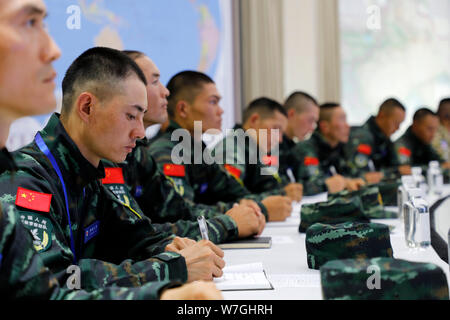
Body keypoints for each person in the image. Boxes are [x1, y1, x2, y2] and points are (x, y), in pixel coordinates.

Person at [0, 45, 224, 299]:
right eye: (131, 116)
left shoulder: (95, 168)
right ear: (87, 108)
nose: (140, 132)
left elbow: (136, 236)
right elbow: (56, 280)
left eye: (142, 118)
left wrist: (174, 248)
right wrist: (169, 270)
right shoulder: (26, 181)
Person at [101, 50, 264, 244]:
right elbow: (131, 237)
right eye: (154, 82)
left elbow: (178, 208)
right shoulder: (161, 150)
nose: (166, 92)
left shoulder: (142, 151)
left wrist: (240, 210)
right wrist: (228, 223)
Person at [149, 71, 292, 222]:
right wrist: (258, 209)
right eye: (213, 102)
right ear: (183, 109)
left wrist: (251, 205)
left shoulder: (197, 149)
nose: (221, 111)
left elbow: (235, 192)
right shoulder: (167, 151)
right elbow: (180, 214)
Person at [212, 97, 303, 201]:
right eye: (276, 129)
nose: (279, 139)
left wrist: (288, 190)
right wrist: (282, 193)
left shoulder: (258, 151)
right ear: (254, 120)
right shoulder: (231, 148)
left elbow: (274, 183)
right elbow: (229, 197)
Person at [291, 103, 366, 195]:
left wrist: (351, 181)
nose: (347, 126)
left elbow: (354, 173)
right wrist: (343, 182)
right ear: (325, 127)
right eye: (342, 120)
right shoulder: (307, 148)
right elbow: (312, 184)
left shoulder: (339, 146)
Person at [345, 98, 411, 182]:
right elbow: (362, 176)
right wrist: (395, 172)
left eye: (400, 124)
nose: (398, 128)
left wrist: (397, 170)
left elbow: (398, 166)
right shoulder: (363, 137)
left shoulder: (384, 139)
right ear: (381, 115)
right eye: (395, 123)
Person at [278, 91, 319, 181]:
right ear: (291, 114)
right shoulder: (269, 146)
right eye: (310, 120)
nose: (312, 128)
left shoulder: (292, 148)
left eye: (315, 122)